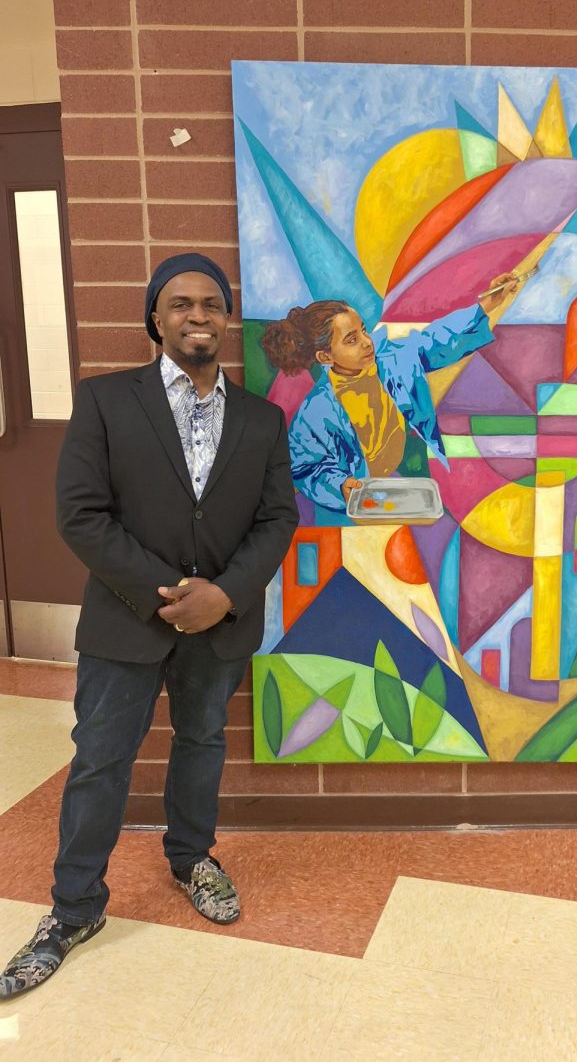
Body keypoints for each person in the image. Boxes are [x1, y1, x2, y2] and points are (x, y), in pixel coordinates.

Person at [0, 254, 299, 999]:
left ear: (226, 317)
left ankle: (192, 857)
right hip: (128, 619)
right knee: (102, 759)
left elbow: (277, 517)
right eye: (180, 304)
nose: (197, 315)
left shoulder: (263, 418)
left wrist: (224, 596)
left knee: (200, 743)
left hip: (219, 625)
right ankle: (73, 910)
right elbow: (81, 514)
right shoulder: (105, 401)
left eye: (210, 304)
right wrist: (171, 594)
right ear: (155, 318)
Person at [260, 273, 521, 514]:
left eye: (363, 330)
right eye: (351, 340)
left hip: (405, 482)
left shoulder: (394, 358)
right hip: (357, 503)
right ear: (325, 356)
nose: (366, 342)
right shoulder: (314, 413)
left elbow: (437, 340)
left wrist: (485, 306)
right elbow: (306, 467)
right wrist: (339, 485)